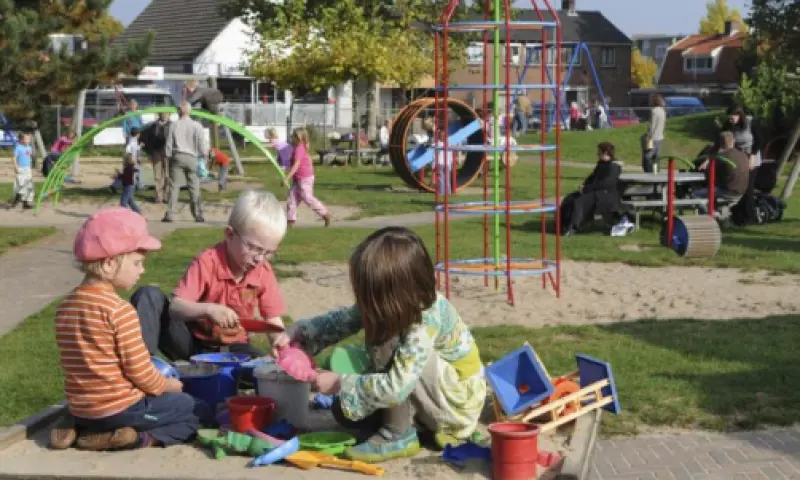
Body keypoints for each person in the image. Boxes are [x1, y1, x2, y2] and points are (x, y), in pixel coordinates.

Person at [283, 227, 486, 463]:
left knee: (385, 336)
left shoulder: (425, 319)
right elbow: (343, 320)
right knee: (345, 414)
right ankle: (411, 424)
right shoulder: (397, 302)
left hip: (458, 401)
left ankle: (397, 434)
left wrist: (340, 383)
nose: (362, 299)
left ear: (392, 292)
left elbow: (397, 386)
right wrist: (300, 331)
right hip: (435, 392)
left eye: (367, 293)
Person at [48, 208, 211, 451]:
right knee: (199, 410)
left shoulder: (65, 307)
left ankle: (75, 426)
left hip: (81, 407)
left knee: (96, 406)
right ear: (111, 263)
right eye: (137, 263)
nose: (141, 270)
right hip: (119, 409)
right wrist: (167, 386)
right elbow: (141, 373)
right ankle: (136, 438)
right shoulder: (119, 311)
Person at [131, 190, 290, 361]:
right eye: (254, 248)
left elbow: (272, 318)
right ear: (229, 235)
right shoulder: (207, 262)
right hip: (191, 343)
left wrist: (279, 342)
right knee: (149, 295)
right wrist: (208, 309)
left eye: (268, 252)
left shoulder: (263, 270)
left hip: (233, 350)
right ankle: (142, 368)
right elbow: (176, 307)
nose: (260, 258)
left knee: (264, 368)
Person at [560, 142, 629, 236]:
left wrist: (587, 188)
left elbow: (605, 184)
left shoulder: (614, 167)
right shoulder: (601, 164)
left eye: (599, 152)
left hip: (605, 195)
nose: (597, 154)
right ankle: (562, 224)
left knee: (579, 201)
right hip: (596, 191)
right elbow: (592, 177)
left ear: (605, 153)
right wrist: (584, 186)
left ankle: (572, 227)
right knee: (570, 198)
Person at [163, 102, 208, 223]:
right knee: (194, 187)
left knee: (174, 186)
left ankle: (170, 214)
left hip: (177, 156)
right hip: (192, 157)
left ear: (179, 111)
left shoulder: (174, 125)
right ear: (190, 111)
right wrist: (204, 155)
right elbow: (201, 144)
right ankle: (197, 214)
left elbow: (169, 143)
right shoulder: (196, 125)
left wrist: (167, 156)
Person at [282, 127, 331, 227]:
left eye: (294, 136)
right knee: (292, 200)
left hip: (305, 178)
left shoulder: (299, 148)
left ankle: (325, 214)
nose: (292, 138)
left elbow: (296, 165)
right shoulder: (298, 147)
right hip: (298, 179)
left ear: (299, 138)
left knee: (307, 198)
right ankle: (290, 222)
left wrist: (286, 178)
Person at [695, 131, 750, 214]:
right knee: (712, 192)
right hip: (741, 192)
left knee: (695, 194)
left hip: (727, 191)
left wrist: (705, 166)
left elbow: (709, 174)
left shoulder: (722, 156)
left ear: (720, 143)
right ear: (733, 141)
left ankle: (710, 214)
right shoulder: (743, 155)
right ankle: (717, 213)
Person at [142, 112, 171, 203]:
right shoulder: (153, 125)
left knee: (167, 175)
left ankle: (166, 196)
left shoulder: (172, 125)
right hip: (156, 152)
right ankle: (158, 197)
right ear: (159, 115)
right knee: (157, 175)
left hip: (167, 152)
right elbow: (149, 139)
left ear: (169, 115)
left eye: (166, 114)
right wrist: (150, 153)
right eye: (162, 114)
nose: (164, 115)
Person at [9, 132, 35, 210]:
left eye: (29, 139)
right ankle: (16, 199)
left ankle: (26, 203)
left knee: (29, 185)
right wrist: (16, 167)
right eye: (27, 139)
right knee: (21, 185)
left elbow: (29, 158)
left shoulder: (29, 148)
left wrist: (30, 168)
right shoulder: (18, 147)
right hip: (21, 169)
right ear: (21, 140)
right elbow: (14, 158)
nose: (29, 140)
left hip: (27, 169)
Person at [642, 94, 666, 173]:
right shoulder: (663, 111)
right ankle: (656, 172)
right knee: (656, 157)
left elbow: (652, 125)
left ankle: (648, 172)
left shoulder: (654, 111)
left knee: (647, 156)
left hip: (652, 137)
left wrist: (648, 136)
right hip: (660, 137)